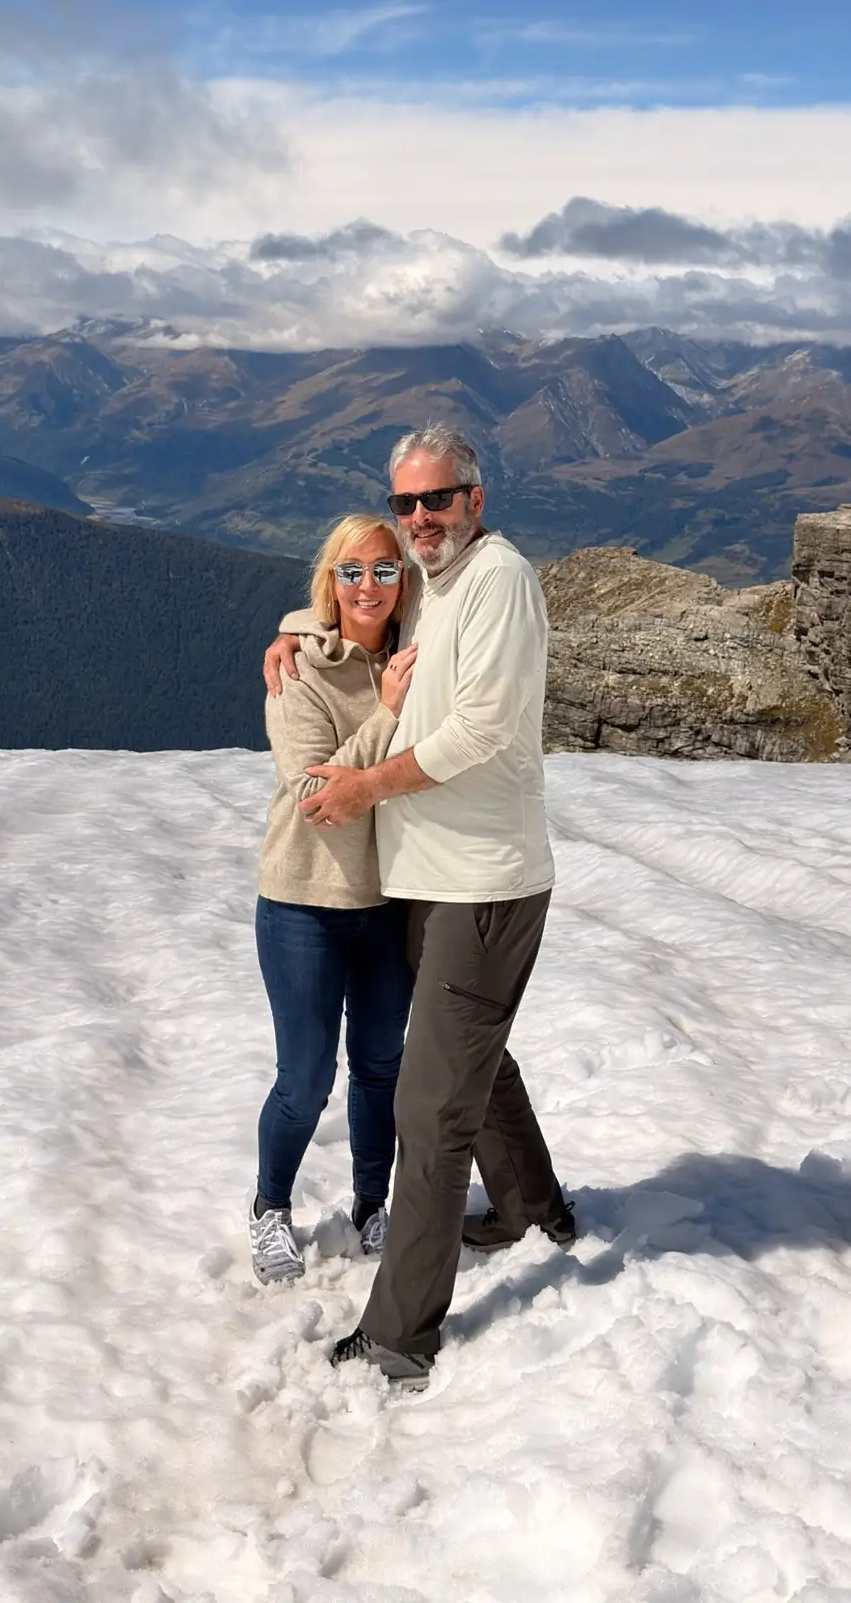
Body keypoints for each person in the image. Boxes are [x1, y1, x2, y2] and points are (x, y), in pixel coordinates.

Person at [265, 425, 573, 1391]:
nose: (420, 519)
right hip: (432, 878)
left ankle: (400, 1333)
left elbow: (482, 728)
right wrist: (291, 631)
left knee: (430, 1103)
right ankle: (532, 1210)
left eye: (437, 499)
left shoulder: (497, 580)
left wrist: (364, 790)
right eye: (406, 504)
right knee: (475, 1052)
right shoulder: (434, 587)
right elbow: (350, 608)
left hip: (482, 880)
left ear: (477, 498)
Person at [248, 514, 420, 1287]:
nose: (369, 586)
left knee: (381, 1065)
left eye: (385, 570)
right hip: (303, 902)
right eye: (352, 572)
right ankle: (270, 1207)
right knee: (307, 1076)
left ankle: (371, 1202)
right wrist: (385, 712)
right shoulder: (298, 673)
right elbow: (316, 792)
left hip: (388, 898)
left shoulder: (419, 650)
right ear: (330, 581)